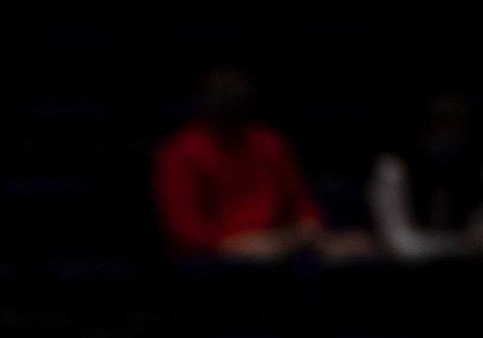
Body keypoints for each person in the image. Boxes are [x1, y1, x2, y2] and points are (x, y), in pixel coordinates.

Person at [154, 68, 369, 263]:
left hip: (283, 244)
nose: (231, 92)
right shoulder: (181, 151)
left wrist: (307, 232)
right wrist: (240, 245)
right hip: (217, 259)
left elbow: (304, 208)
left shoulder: (268, 142)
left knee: (358, 248)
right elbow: (186, 234)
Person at [369, 95, 483, 262]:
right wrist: (455, 246)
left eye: (453, 126)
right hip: (403, 265)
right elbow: (397, 242)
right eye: (439, 125)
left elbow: (478, 237)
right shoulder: (394, 168)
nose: (447, 134)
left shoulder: (476, 169)